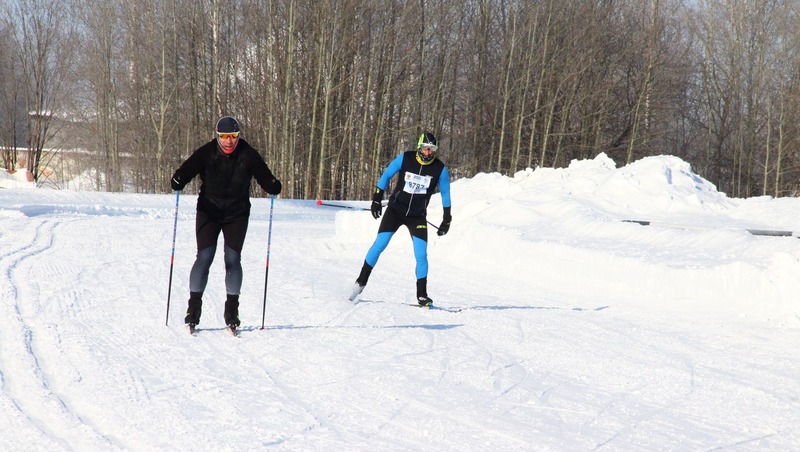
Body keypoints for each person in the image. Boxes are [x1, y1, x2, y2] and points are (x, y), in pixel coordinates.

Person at [170, 116, 282, 333]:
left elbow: (264, 176)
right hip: (209, 212)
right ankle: (193, 311)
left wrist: (272, 185)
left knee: (232, 259)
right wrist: (178, 179)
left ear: (238, 136)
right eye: (224, 137)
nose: (229, 141)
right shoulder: (207, 152)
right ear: (217, 136)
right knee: (204, 257)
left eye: (233, 136)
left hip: (236, 215)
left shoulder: (247, 154)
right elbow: (187, 170)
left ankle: (232, 312)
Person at [349, 131, 452, 306]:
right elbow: (386, 175)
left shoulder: (440, 169)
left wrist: (447, 218)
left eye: (432, 149)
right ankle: (360, 283)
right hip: (395, 211)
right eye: (425, 148)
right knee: (379, 245)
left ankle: (422, 295)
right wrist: (376, 198)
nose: (428, 152)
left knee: (421, 254)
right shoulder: (406, 158)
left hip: (417, 217)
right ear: (419, 147)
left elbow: (446, 194)